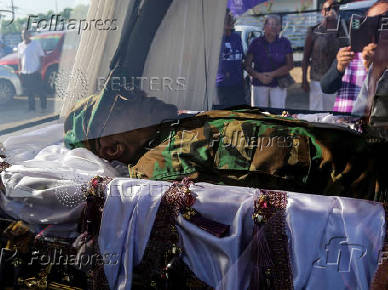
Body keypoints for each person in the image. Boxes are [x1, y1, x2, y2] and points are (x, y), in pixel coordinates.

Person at [64, 87, 387, 201]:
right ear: (112, 149)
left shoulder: (183, 124)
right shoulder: (159, 172)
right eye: (121, 104)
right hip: (373, 186)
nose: (138, 95)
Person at [244, 14, 293, 109]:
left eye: (277, 24)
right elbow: (247, 65)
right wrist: (259, 76)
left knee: (278, 114)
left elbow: (290, 65)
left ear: (280, 28)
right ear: (264, 26)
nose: (274, 27)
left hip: (278, 84)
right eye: (271, 24)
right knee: (259, 114)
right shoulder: (256, 43)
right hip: (259, 84)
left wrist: (272, 74)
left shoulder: (284, 42)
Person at [302, 0, 340, 111]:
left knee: (332, 114)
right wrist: (304, 80)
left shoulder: (342, 32)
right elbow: (305, 58)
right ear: (323, 12)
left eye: (335, 8)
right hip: (316, 80)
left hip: (335, 81)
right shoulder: (313, 32)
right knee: (315, 112)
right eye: (329, 9)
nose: (332, 11)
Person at [215, 9, 247, 107]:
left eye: (231, 17)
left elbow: (240, 59)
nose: (229, 20)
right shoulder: (216, 38)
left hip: (238, 84)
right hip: (222, 85)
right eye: (226, 18)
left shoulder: (237, 37)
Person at [18, 30, 47, 112]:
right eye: (22, 34)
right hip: (25, 72)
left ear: (29, 35)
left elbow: (42, 56)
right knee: (29, 92)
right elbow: (19, 59)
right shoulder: (20, 45)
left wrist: (40, 68)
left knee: (40, 90)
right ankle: (31, 108)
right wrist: (19, 70)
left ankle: (43, 107)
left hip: (35, 71)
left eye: (25, 34)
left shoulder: (36, 44)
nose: (24, 36)